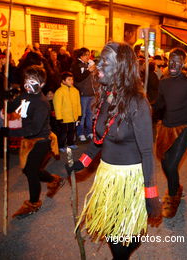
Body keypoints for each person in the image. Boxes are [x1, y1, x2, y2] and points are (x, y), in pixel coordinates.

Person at [66, 42, 161, 260]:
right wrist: (82, 162)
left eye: (105, 62)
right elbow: (99, 139)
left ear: (121, 67)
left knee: (124, 239)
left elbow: (147, 152)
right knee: (111, 230)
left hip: (130, 178)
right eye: (99, 60)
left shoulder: (138, 103)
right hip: (107, 176)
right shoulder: (105, 96)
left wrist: (151, 195)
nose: (98, 65)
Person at [1, 65, 63, 219]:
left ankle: (33, 203)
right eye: (26, 80)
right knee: (31, 170)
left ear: (41, 84)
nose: (28, 84)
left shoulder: (42, 103)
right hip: (28, 138)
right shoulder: (25, 95)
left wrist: (10, 133)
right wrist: (8, 98)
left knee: (30, 171)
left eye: (33, 81)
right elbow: (12, 108)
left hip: (41, 140)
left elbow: (34, 129)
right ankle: (54, 179)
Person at [153, 47, 187, 219]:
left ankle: (173, 196)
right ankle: (176, 187)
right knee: (165, 163)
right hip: (166, 128)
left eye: (177, 61)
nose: (173, 64)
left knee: (171, 166)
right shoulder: (164, 82)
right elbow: (159, 105)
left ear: (184, 63)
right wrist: (145, 107)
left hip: (184, 129)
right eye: (170, 60)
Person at [71, 47, 96, 141]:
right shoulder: (76, 64)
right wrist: (88, 71)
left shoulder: (89, 63)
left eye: (88, 54)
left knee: (90, 114)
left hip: (91, 93)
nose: (88, 56)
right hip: (82, 93)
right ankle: (80, 132)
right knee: (82, 114)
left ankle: (89, 131)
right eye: (86, 54)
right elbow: (78, 78)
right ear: (81, 55)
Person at [53, 72, 81, 152]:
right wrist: (59, 118)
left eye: (72, 79)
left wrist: (79, 115)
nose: (71, 81)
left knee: (72, 131)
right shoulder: (59, 92)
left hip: (73, 116)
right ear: (63, 81)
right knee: (63, 132)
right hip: (64, 117)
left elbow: (78, 104)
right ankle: (61, 145)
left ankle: (70, 143)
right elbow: (57, 106)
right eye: (69, 79)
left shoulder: (75, 91)